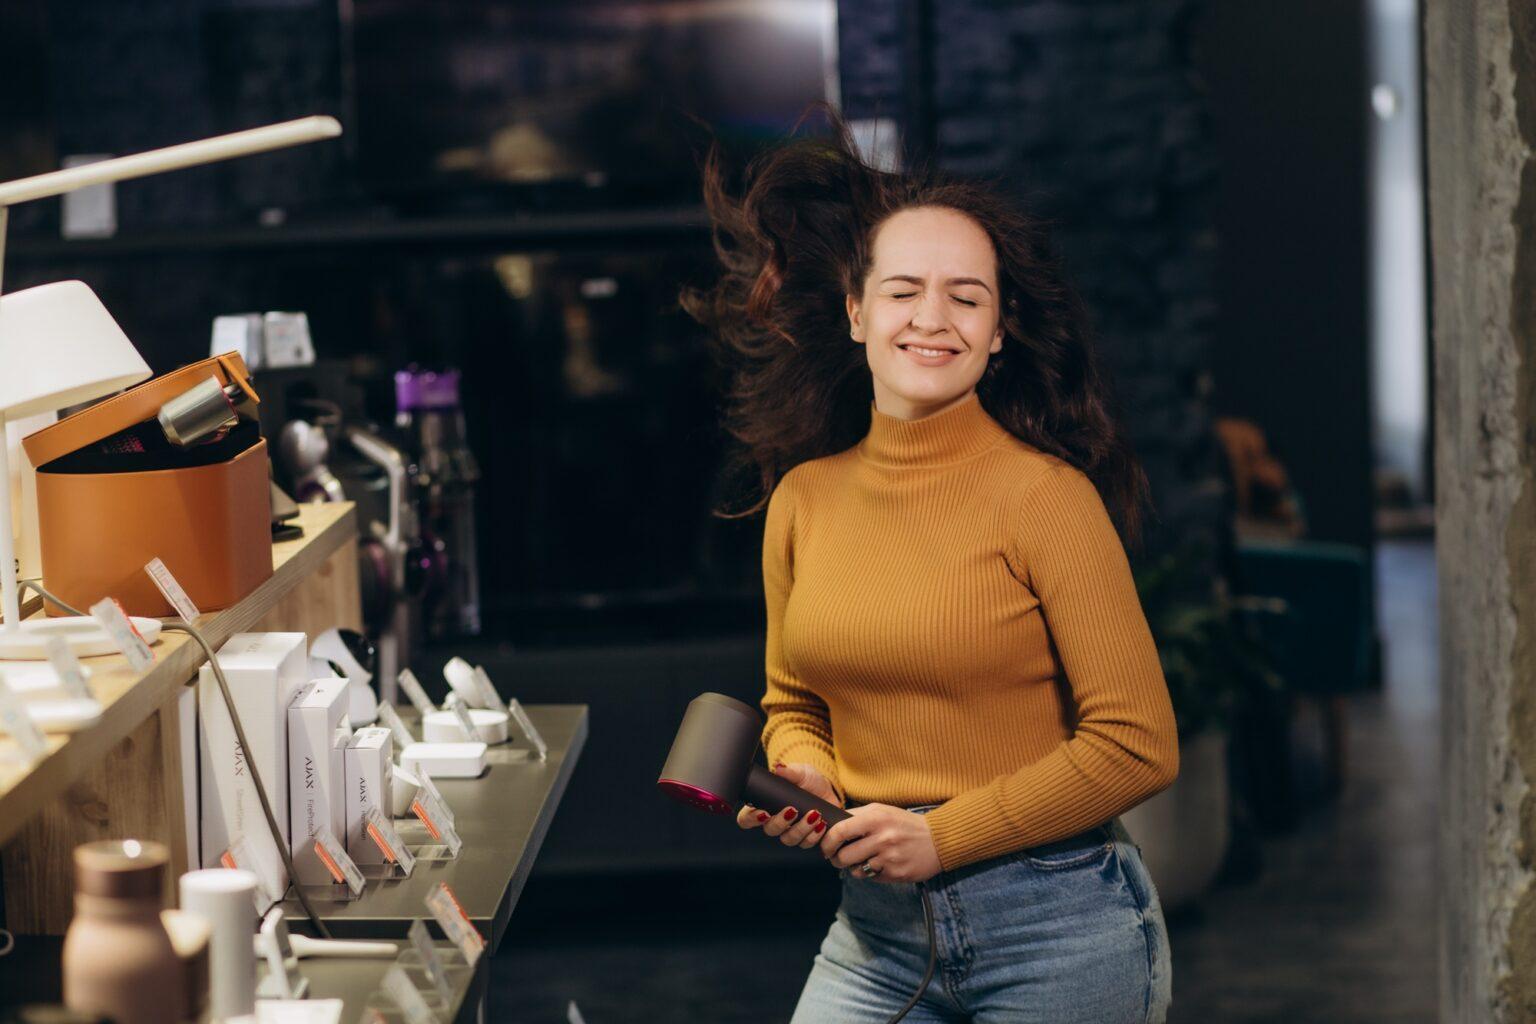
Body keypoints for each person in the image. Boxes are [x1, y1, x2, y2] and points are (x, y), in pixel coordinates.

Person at [681, 110, 1180, 1024]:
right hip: (874, 932)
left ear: (998, 334)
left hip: (1056, 930)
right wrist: (805, 772)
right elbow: (794, 702)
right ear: (857, 313)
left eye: (968, 296)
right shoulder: (804, 500)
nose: (933, 319)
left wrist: (943, 837)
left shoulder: (1044, 499)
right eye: (905, 290)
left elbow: (1137, 743)